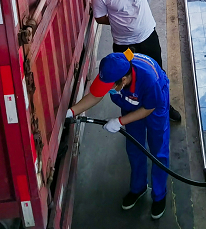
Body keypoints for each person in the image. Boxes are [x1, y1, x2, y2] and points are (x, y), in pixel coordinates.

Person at [67, 50, 171, 219]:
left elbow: (148, 109)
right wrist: (71, 111)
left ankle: (159, 195)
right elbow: (95, 95)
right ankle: (138, 187)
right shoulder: (114, 69)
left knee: (157, 149)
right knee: (134, 146)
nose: (108, 90)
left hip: (154, 106)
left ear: (123, 80)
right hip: (131, 103)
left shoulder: (149, 79)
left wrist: (119, 121)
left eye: (110, 87)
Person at [91, 0, 181, 122]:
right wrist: (118, 21)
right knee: (127, 79)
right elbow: (100, 18)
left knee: (157, 74)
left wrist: (142, 8)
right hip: (124, 44)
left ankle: (164, 105)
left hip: (148, 36)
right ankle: (135, 113)